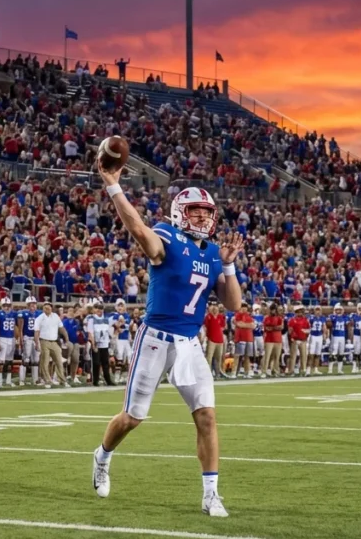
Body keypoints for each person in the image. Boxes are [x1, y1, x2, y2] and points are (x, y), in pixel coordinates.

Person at [90, 173, 244, 517]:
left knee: (206, 416)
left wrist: (230, 265)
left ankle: (211, 493)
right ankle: (102, 456)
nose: (203, 217)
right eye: (195, 211)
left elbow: (233, 304)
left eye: (207, 212)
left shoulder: (218, 253)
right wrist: (113, 187)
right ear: (179, 213)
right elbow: (139, 231)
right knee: (132, 418)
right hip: (155, 338)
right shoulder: (166, 236)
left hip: (190, 343)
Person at [35, 301, 67, 389]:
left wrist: (66, 338)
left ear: (51, 308)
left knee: (59, 361)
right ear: (43, 309)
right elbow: (37, 331)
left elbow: (61, 328)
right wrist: (36, 342)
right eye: (45, 308)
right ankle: (47, 380)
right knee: (44, 362)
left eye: (49, 307)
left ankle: (62, 380)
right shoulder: (39, 318)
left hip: (54, 341)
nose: (47, 309)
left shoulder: (56, 316)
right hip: (44, 341)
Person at [0, 297, 18, 388]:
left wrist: (16, 338)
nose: (6, 307)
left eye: (8, 305)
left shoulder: (14, 314)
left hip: (11, 338)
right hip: (2, 338)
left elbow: (16, 326)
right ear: (1, 306)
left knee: (10, 361)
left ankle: (8, 380)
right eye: (4, 305)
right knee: (1, 361)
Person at [88, 305, 114, 386]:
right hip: (96, 343)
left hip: (105, 343)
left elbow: (109, 331)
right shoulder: (92, 319)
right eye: (97, 309)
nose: (99, 311)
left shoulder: (106, 320)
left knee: (105, 363)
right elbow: (90, 332)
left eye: (101, 309)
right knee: (96, 363)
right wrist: (93, 344)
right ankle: (95, 380)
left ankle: (108, 380)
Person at [231, 305, 257, 379]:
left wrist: (244, 325)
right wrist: (248, 325)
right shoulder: (237, 315)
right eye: (242, 307)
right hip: (240, 338)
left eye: (245, 307)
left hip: (249, 338)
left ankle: (247, 372)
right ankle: (233, 372)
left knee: (247, 357)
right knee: (237, 356)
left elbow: (253, 326)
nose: (244, 309)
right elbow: (238, 324)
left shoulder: (249, 317)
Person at [203, 304, 227, 379]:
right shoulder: (208, 317)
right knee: (209, 358)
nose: (215, 310)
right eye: (214, 309)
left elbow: (224, 326)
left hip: (219, 340)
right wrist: (206, 337)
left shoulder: (220, 317)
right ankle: (208, 374)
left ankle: (218, 373)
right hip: (211, 340)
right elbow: (205, 327)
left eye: (216, 309)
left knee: (218, 358)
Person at [261, 304, 283, 378]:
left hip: (278, 339)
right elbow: (266, 328)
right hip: (269, 339)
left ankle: (275, 371)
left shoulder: (279, 318)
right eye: (272, 309)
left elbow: (281, 327)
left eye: (274, 309)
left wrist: (272, 328)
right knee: (267, 356)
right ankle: (264, 371)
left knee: (277, 356)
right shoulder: (266, 318)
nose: (273, 311)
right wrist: (275, 327)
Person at [286, 305, 309, 376]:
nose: (300, 313)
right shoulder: (292, 320)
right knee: (293, 356)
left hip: (303, 340)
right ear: (296, 312)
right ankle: (291, 370)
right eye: (298, 312)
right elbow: (289, 331)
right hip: (295, 340)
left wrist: (305, 333)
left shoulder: (305, 320)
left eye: (301, 312)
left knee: (304, 355)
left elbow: (308, 329)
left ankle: (303, 370)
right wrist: (293, 337)